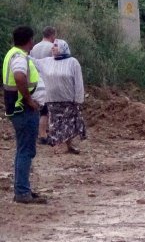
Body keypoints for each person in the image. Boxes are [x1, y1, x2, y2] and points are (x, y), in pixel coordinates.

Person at [4, 26, 47, 204]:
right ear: (29, 40)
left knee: (23, 150)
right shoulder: (19, 57)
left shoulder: (13, 54)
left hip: (19, 109)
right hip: (23, 109)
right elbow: (20, 77)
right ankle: (22, 192)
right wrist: (29, 100)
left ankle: (22, 189)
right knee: (26, 151)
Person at [34, 40, 85, 154]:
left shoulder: (73, 62)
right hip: (52, 99)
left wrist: (78, 98)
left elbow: (78, 81)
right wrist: (20, 54)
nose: (53, 48)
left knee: (68, 124)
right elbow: (33, 62)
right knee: (55, 124)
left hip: (69, 100)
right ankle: (59, 145)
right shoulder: (47, 62)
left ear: (63, 47)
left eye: (56, 46)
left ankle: (68, 145)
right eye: (53, 46)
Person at [30, 26, 66, 143]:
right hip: (48, 80)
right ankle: (43, 135)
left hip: (35, 81)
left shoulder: (34, 47)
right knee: (46, 109)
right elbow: (55, 64)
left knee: (38, 107)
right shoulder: (52, 47)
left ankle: (40, 132)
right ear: (52, 35)